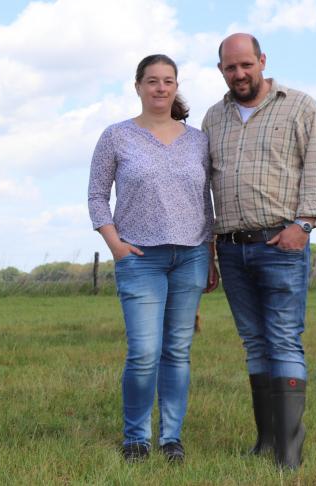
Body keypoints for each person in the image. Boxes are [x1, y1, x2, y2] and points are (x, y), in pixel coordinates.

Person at [202, 33, 316, 469]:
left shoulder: (300, 107)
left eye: (246, 65)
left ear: (262, 61)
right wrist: (209, 250)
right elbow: (202, 188)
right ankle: (266, 441)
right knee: (254, 342)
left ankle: (289, 454)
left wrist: (303, 225)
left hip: (281, 242)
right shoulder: (213, 118)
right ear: (221, 69)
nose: (239, 74)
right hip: (231, 247)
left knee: (282, 338)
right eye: (230, 67)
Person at [88, 54, 218, 463]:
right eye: (152, 81)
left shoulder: (198, 140)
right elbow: (96, 195)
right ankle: (136, 438)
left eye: (168, 81)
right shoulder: (117, 136)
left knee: (177, 351)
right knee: (144, 352)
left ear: (176, 86)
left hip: (192, 255)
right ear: (138, 86)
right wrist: (115, 245)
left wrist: (211, 254)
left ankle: (171, 438)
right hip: (139, 257)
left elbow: (206, 201)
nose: (160, 88)